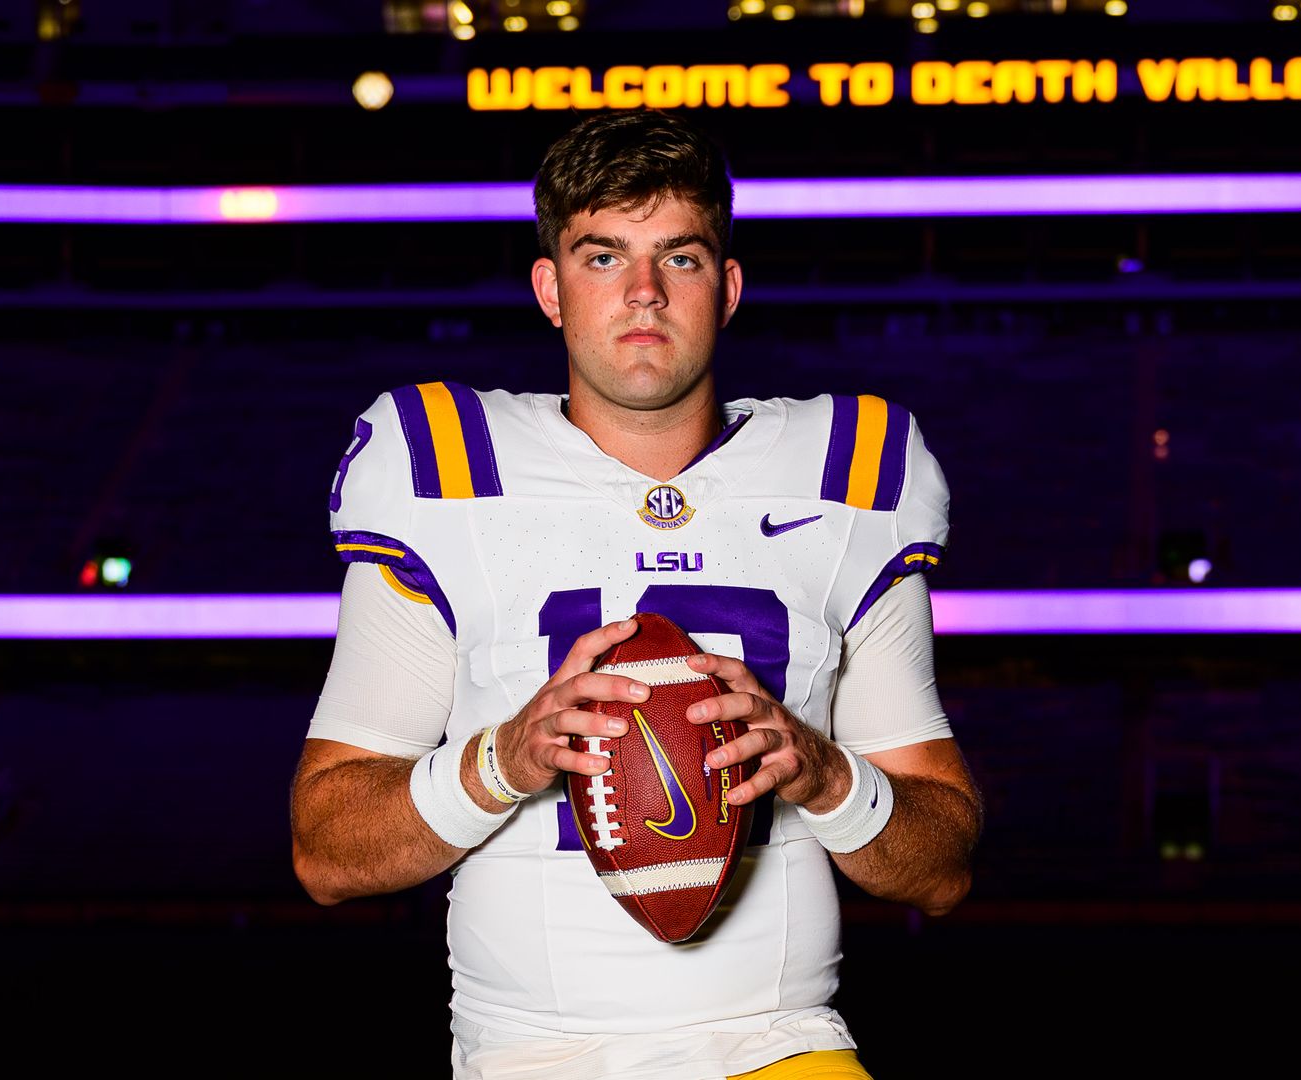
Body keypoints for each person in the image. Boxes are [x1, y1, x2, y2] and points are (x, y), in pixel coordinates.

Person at [289, 109, 982, 1080]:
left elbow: (941, 867)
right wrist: (504, 759)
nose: (645, 294)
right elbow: (327, 850)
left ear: (728, 286)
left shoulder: (852, 476)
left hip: (778, 1044)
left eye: (682, 259)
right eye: (604, 256)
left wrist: (825, 775)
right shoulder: (439, 470)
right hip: (536, 1054)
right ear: (551, 289)